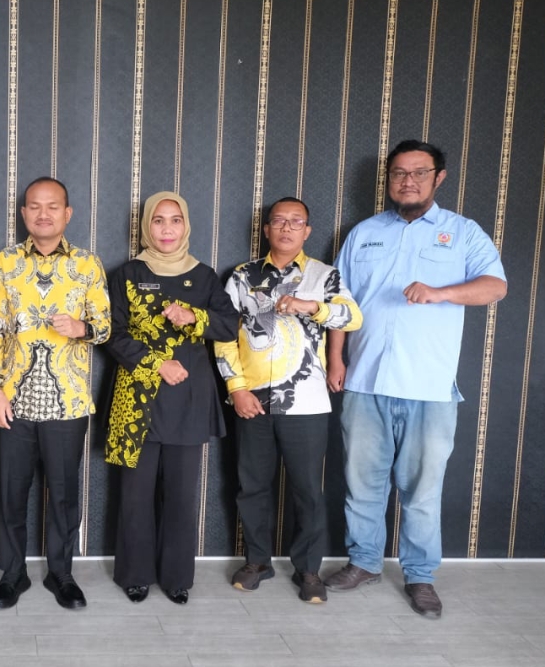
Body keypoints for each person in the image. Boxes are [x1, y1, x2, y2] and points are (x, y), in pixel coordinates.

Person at [324, 140, 507, 619]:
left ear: (438, 178)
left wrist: (441, 292)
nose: (408, 181)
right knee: (361, 484)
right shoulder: (363, 233)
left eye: (419, 172)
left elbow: (495, 286)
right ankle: (363, 562)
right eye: (399, 173)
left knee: (422, 491)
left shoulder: (463, 232)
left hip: (429, 387)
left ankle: (420, 576)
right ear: (388, 179)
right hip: (365, 382)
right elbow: (339, 303)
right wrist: (336, 359)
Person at [215, 197, 362, 604]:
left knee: (307, 491)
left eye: (296, 222)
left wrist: (311, 307)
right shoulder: (242, 277)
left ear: (307, 231)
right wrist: (236, 388)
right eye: (278, 221)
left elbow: (353, 317)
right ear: (266, 229)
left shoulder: (324, 276)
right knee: (251, 486)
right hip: (252, 399)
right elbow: (223, 335)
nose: (286, 228)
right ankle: (256, 561)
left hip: (307, 401)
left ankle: (308, 569)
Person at [0, 177, 111, 610]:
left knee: (64, 493)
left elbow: (106, 327)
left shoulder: (88, 264)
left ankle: (61, 574)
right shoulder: (5, 262)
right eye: (34, 206)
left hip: (68, 402)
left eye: (52, 206)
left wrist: (82, 327)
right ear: (24, 214)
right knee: (11, 491)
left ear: (67, 213)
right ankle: (12, 575)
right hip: (12, 400)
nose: (43, 214)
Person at [104, 191, 237, 606]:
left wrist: (194, 317)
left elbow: (230, 325)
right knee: (135, 495)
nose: (166, 229)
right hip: (137, 398)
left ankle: (177, 577)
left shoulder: (204, 276)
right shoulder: (128, 273)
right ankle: (136, 575)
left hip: (188, 399)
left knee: (181, 495)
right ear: (146, 226)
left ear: (186, 226)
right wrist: (156, 363)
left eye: (175, 220)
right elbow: (113, 334)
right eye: (158, 220)